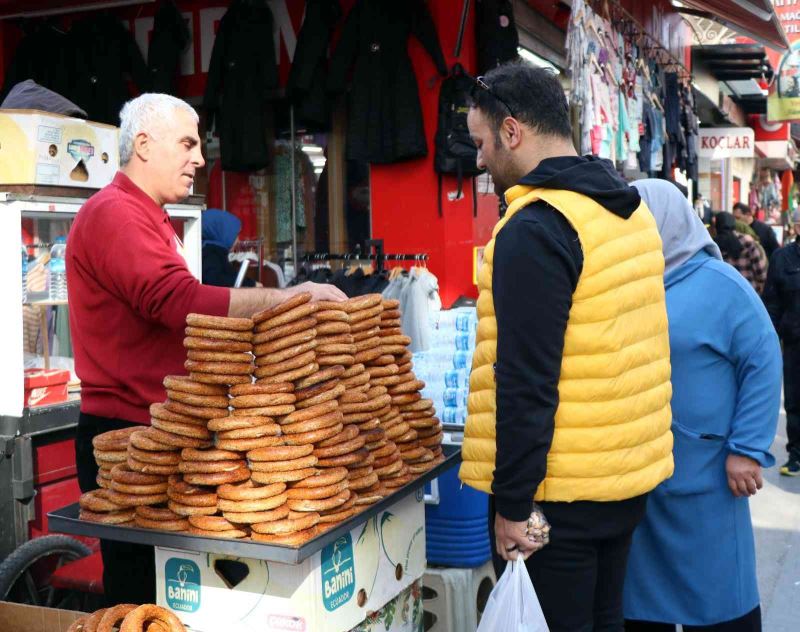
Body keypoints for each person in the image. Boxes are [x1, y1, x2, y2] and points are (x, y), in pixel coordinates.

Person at [66, 93, 345, 605]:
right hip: (128, 439)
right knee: (143, 602)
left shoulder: (151, 216)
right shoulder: (115, 214)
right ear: (143, 145)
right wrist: (288, 297)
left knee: (179, 597)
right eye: (189, 144)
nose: (200, 158)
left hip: (163, 428)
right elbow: (178, 302)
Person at [458, 62, 674, 632]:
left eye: (482, 142)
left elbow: (527, 379)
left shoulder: (536, 226)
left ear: (512, 132)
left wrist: (512, 505)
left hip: (557, 499)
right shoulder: (626, 210)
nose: (478, 160)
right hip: (622, 482)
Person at [623, 179, 782, 632]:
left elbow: (764, 357)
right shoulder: (630, 283)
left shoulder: (720, 284)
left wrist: (747, 447)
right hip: (646, 480)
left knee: (717, 598)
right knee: (642, 603)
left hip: (710, 477)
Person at [763, 209, 800, 476]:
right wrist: (768, 340)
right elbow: (772, 304)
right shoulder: (782, 258)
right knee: (794, 401)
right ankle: (796, 455)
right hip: (794, 341)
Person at [714, 212, 768, 294]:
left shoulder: (713, 245)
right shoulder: (747, 241)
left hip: (724, 295)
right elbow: (761, 273)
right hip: (749, 293)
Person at [201, 208, 256, 288]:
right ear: (223, 232)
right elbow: (216, 280)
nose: (238, 240)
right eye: (235, 234)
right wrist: (251, 284)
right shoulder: (212, 254)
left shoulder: (216, 251)